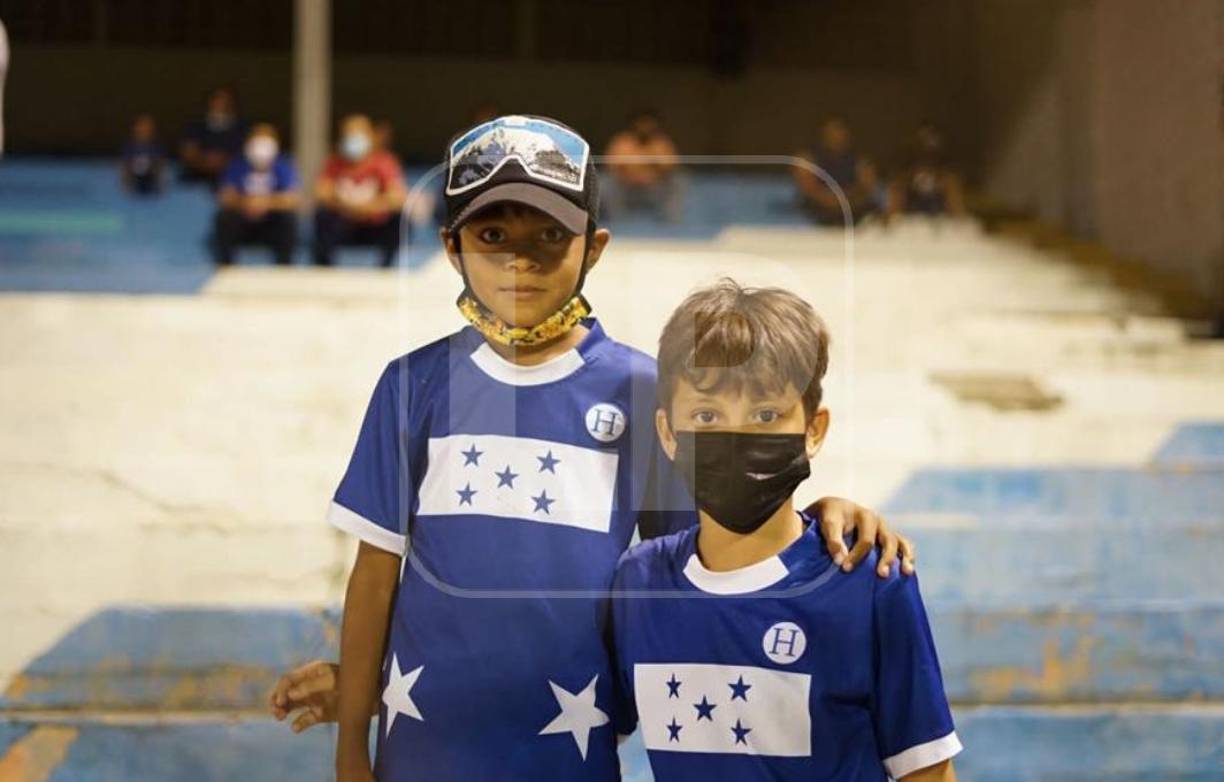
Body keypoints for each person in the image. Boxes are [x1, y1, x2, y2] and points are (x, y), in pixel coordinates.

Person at [312, 114, 914, 782]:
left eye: (549, 236)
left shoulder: (643, 390)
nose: (520, 259)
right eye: (492, 235)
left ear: (593, 246)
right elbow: (374, 574)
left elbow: (707, 556)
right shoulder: (411, 385)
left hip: (571, 753)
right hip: (419, 754)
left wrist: (824, 509)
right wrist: (349, 751)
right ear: (452, 247)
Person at [612, 279, 960, 781]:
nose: (734, 438)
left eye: (765, 414)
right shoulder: (637, 584)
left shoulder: (870, 580)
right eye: (706, 416)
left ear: (813, 429)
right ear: (667, 433)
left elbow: (927, 774)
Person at [313, 114, 407, 267]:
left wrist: (368, 208)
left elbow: (397, 198)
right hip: (344, 226)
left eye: (358, 133)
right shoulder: (334, 164)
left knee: (398, 218)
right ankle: (324, 267)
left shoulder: (384, 162)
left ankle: (386, 268)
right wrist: (349, 208)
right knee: (322, 216)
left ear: (370, 136)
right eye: (349, 134)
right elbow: (321, 193)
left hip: (374, 225)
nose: (353, 138)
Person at [212, 123, 300, 266]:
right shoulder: (237, 165)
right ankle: (225, 265)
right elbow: (225, 197)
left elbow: (291, 199)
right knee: (225, 217)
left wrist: (264, 202)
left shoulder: (283, 165)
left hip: (270, 223)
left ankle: (284, 266)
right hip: (244, 222)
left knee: (288, 219)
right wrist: (247, 202)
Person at [793, 117, 880, 225]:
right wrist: (830, 200)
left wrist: (844, 200)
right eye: (832, 132)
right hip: (818, 208)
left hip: (851, 207)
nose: (836, 136)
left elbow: (867, 189)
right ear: (823, 135)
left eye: (839, 132)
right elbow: (808, 188)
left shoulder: (861, 162)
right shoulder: (808, 159)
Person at [603, 109, 684, 223]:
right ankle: (617, 222)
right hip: (627, 187)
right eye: (642, 123)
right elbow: (612, 167)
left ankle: (670, 222)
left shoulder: (661, 143)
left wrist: (650, 174)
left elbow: (670, 168)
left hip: (654, 188)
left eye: (648, 123)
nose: (645, 127)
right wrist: (631, 177)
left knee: (678, 181)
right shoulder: (623, 141)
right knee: (606, 182)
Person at [887, 123, 966, 219]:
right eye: (921, 144)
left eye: (930, 144)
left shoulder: (948, 180)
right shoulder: (902, 180)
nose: (926, 150)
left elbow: (958, 213)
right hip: (909, 229)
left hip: (940, 228)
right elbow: (893, 214)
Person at [179, 86, 247, 186]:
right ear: (210, 102)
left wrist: (223, 161)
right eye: (217, 99)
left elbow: (246, 156)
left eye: (225, 101)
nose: (221, 104)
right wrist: (204, 161)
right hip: (196, 180)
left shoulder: (242, 129)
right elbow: (188, 153)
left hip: (230, 180)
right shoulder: (195, 126)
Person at [120, 114, 167, 196]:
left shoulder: (156, 147)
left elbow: (160, 167)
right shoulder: (130, 147)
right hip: (134, 180)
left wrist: (160, 184)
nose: (144, 130)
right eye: (141, 127)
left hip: (150, 180)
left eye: (147, 128)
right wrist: (126, 183)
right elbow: (125, 166)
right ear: (135, 129)